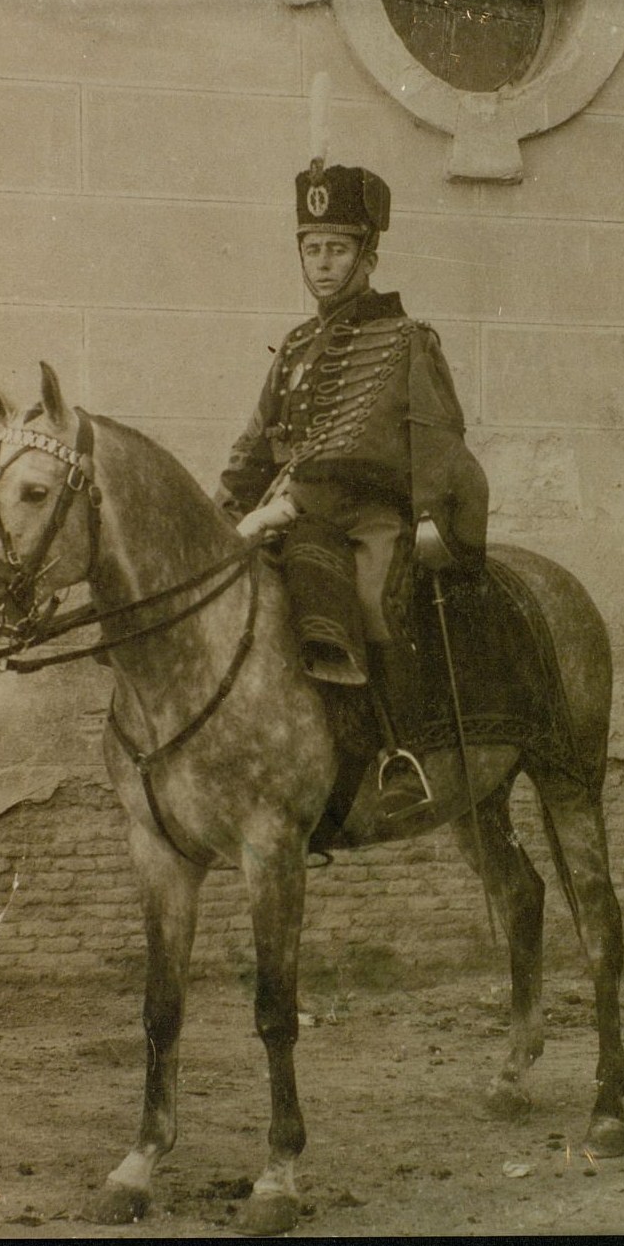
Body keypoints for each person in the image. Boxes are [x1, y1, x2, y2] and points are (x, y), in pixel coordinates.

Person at [215, 161, 488, 821]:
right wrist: (223, 515)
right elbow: (256, 446)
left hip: (372, 516)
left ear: (368, 256)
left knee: (370, 603)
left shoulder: (406, 341)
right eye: (313, 250)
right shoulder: (296, 347)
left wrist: (428, 518)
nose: (323, 265)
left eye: (337, 250)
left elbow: (436, 434)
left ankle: (399, 754)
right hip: (293, 510)